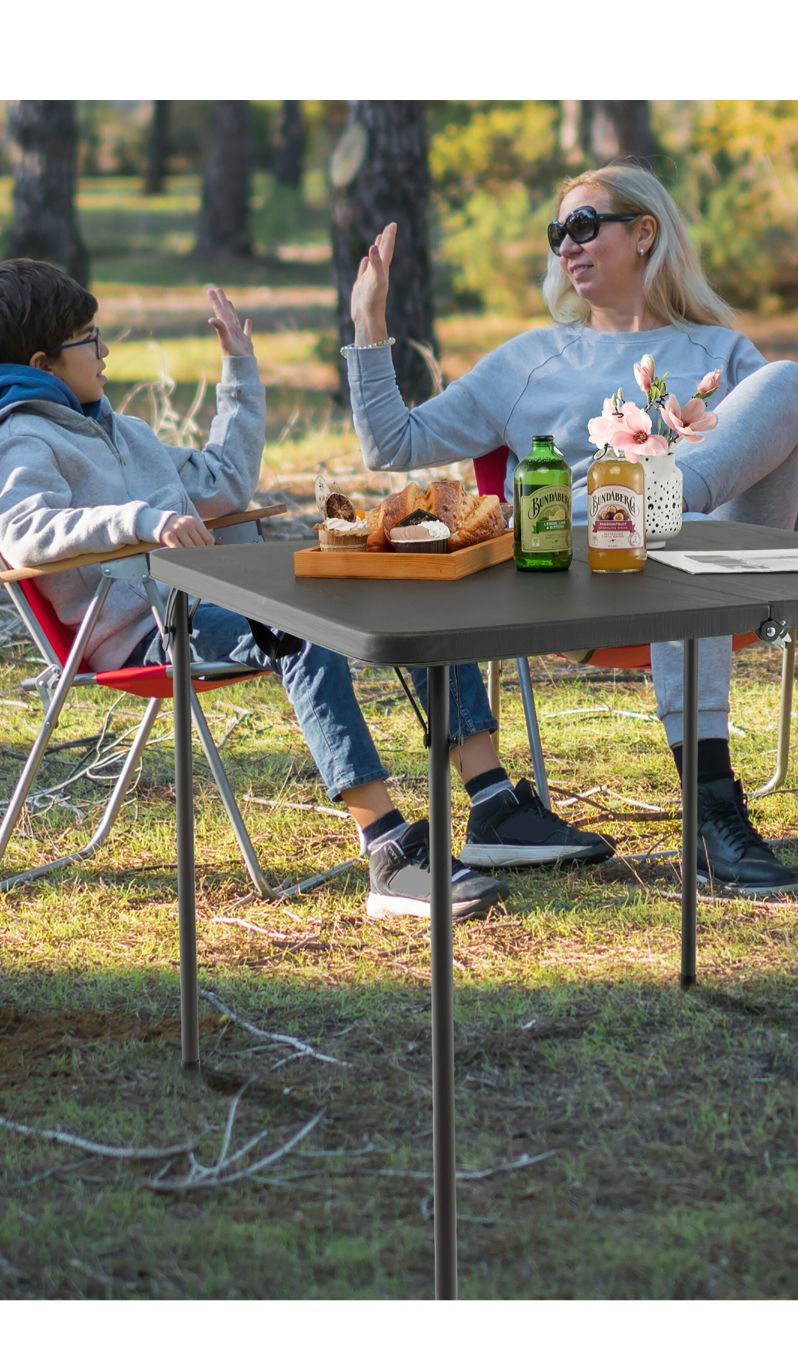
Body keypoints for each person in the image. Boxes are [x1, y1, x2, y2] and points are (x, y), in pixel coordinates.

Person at [0, 259, 610, 923]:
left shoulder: (122, 431)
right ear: (43, 362)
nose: (105, 349)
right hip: (148, 630)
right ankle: (388, 853)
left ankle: (492, 804)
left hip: (206, 601)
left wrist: (239, 367)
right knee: (298, 624)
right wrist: (139, 521)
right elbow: (22, 530)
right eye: (90, 339)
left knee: (422, 576)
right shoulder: (22, 436)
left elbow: (225, 482)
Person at [344, 163, 798, 897]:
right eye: (559, 234)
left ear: (644, 232)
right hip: (586, 574)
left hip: (722, 557)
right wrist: (370, 326)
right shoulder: (529, 360)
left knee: (788, 383)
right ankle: (711, 809)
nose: (568, 247)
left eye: (586, 226)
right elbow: (390, 445)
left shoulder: (720, 351)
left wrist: (704, 453)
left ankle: (672, 501)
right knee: (687, 541)